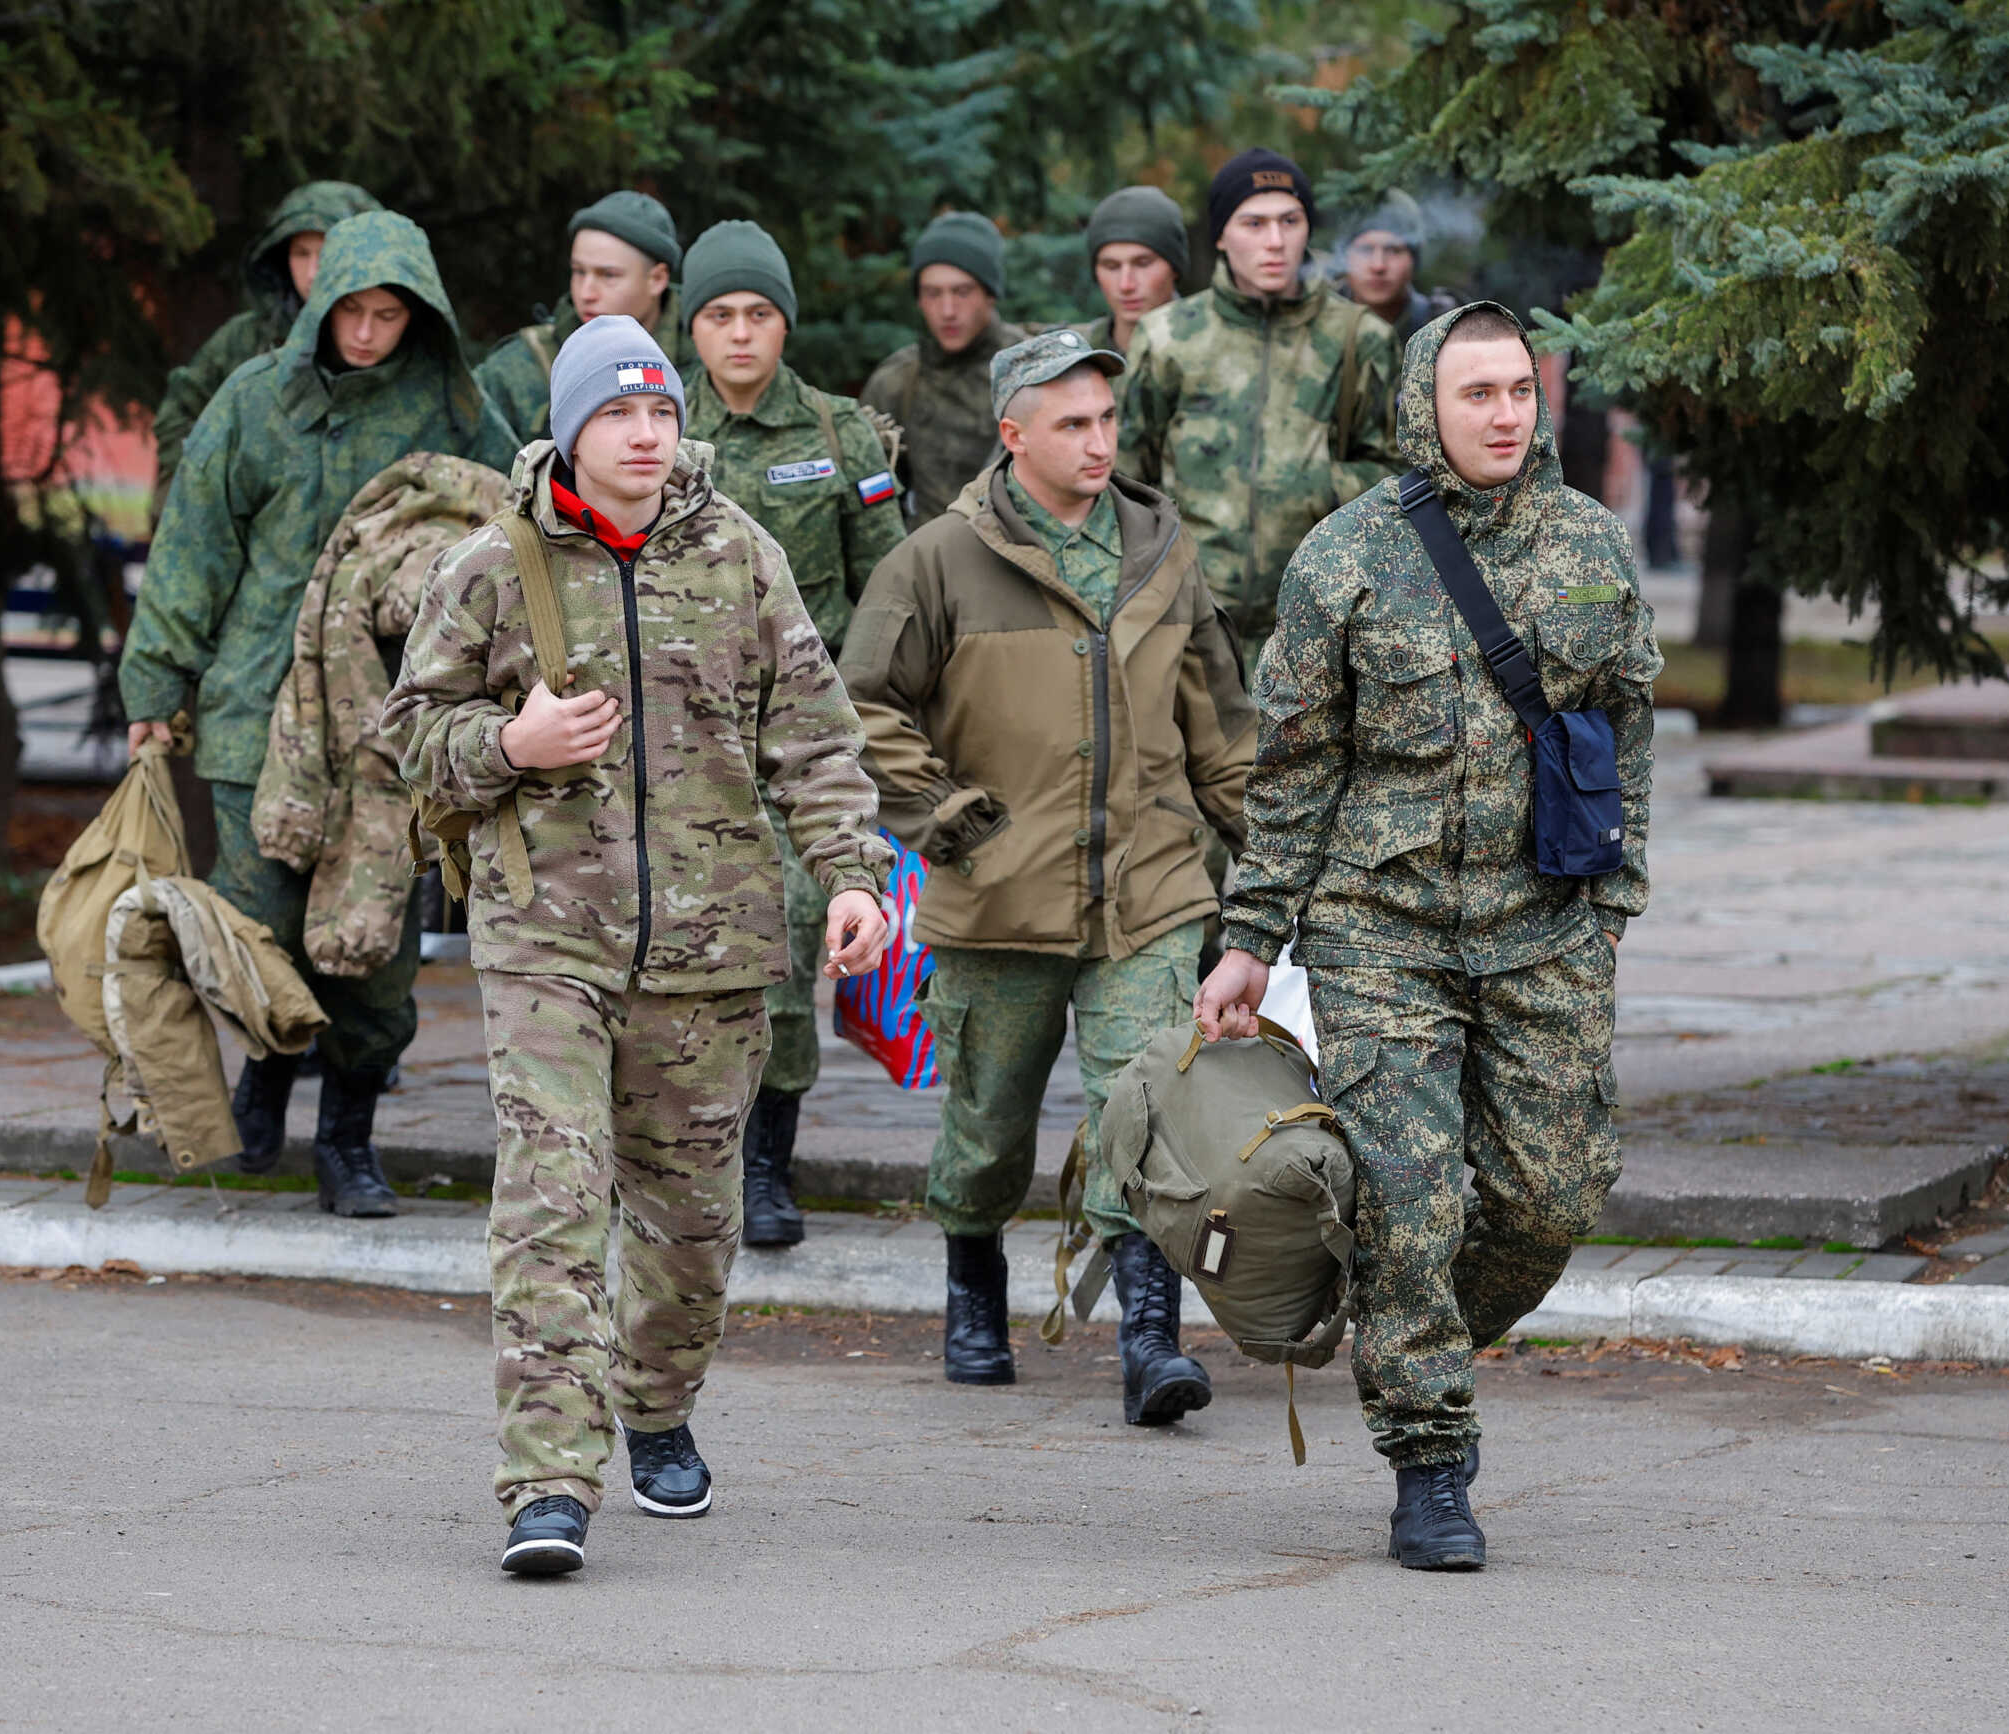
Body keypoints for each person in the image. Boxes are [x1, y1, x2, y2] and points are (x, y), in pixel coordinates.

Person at [380, 316, 895, 1576]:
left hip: (716, 951)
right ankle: (548, 1484)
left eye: (661, 412)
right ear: (569, 429)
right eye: (619, 414)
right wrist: (511, 746)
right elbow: (407, 735)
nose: (648, 434)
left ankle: (655, 1401)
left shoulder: (740, 556)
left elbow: (816, 741)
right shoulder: (495, 566)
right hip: (545, 936)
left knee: (690, 1228)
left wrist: (849, 876)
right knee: (551, 1203)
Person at [1192, 303, 1661, 1571]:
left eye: (1519, 391)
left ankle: (1408, 1326)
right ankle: (1429, 1456)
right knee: (1411, 1194)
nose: (1506, 415)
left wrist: (1613, 903)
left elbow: (1625, 732)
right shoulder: (1343, 560)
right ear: (1424, 409)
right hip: (1377, 929)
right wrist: (1250, 938)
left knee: (1553, 1196)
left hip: (1544, 924)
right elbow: (1290, 769)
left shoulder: (1592, 549)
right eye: (1478, 395)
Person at [838, 329, 1256, 1417]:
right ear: (1011, 434)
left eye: (1108, 421)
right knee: (985, 1131)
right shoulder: (936, 559)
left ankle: (1150, 1340)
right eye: (1072, 424)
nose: (1098, 442)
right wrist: (942, 816)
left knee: (1146, 1111)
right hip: (997, 894)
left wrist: (1274, 872)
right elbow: (863, 700)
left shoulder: (1163, 551)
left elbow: (1221, 728)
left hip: (1150, 890)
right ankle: (973, 1287)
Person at [121, 211, 521, 1219]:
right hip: (257, 704)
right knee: (256, 918)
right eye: (352, 312)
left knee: (373, 939)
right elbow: (193, 546)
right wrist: (154, 688)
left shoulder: (452, 407)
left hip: (394, 715)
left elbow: (522, 519)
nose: (368, 334)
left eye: (390, 315)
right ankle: (264, 1072)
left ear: (417, 317)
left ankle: (348, 1138)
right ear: (320, 307)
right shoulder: (256, 403)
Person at [679, 219, 909, 1247]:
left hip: (790, 742)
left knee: (780, 955)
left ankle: (767, 1165)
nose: (740, 335)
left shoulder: (838, 434)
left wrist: (847, 708)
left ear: (784, 324)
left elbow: (888, 590)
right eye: (720, 315)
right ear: (691, 326)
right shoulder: (650, 427)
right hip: (672, 739)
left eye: (759, 315)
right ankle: (685, 1163)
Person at [1120, 149, 1402, 668]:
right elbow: (1127, 473)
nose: (1275, 242)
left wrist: (1311, 484)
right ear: (1222, 236)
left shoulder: (1359, 339)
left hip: (1317, 627)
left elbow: (1400, 480)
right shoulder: (1169, 337)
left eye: (1289, 222)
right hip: (1189, 625)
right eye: (1253, 223)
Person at [150, 180, 380, 512]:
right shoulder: (244, 340)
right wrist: (197, 493)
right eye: (301, 253)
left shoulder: (389, 346)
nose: (313, 271)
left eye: (327, 250)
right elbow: (181, 413)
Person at [474, 192, 689, 443]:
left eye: (608, 275)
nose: (586, 293)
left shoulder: (710, 363)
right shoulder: (518, 370)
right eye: (578, 272)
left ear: (657, 279)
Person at [860, 211, 1029, 526]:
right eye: (933, 294)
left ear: (990, 294)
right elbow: (870, 500)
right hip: (931, 561)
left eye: (962, 292)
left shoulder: (1030, 370)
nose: (947, 310)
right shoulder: (897, 381)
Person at [1065, 185, 1188, 392]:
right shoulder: (1071, 356)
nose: (1126, 285)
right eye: (1111, 266)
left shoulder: (1216, 349)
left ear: (1174, 267)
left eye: (1142, 263)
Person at [1339, 191, 1451, 347]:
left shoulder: (1443, 332)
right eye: (1365, 250)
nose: (1378, 266)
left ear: (1414, 259)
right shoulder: (1315, 322)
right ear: (1344, 257)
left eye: (1393, 250)